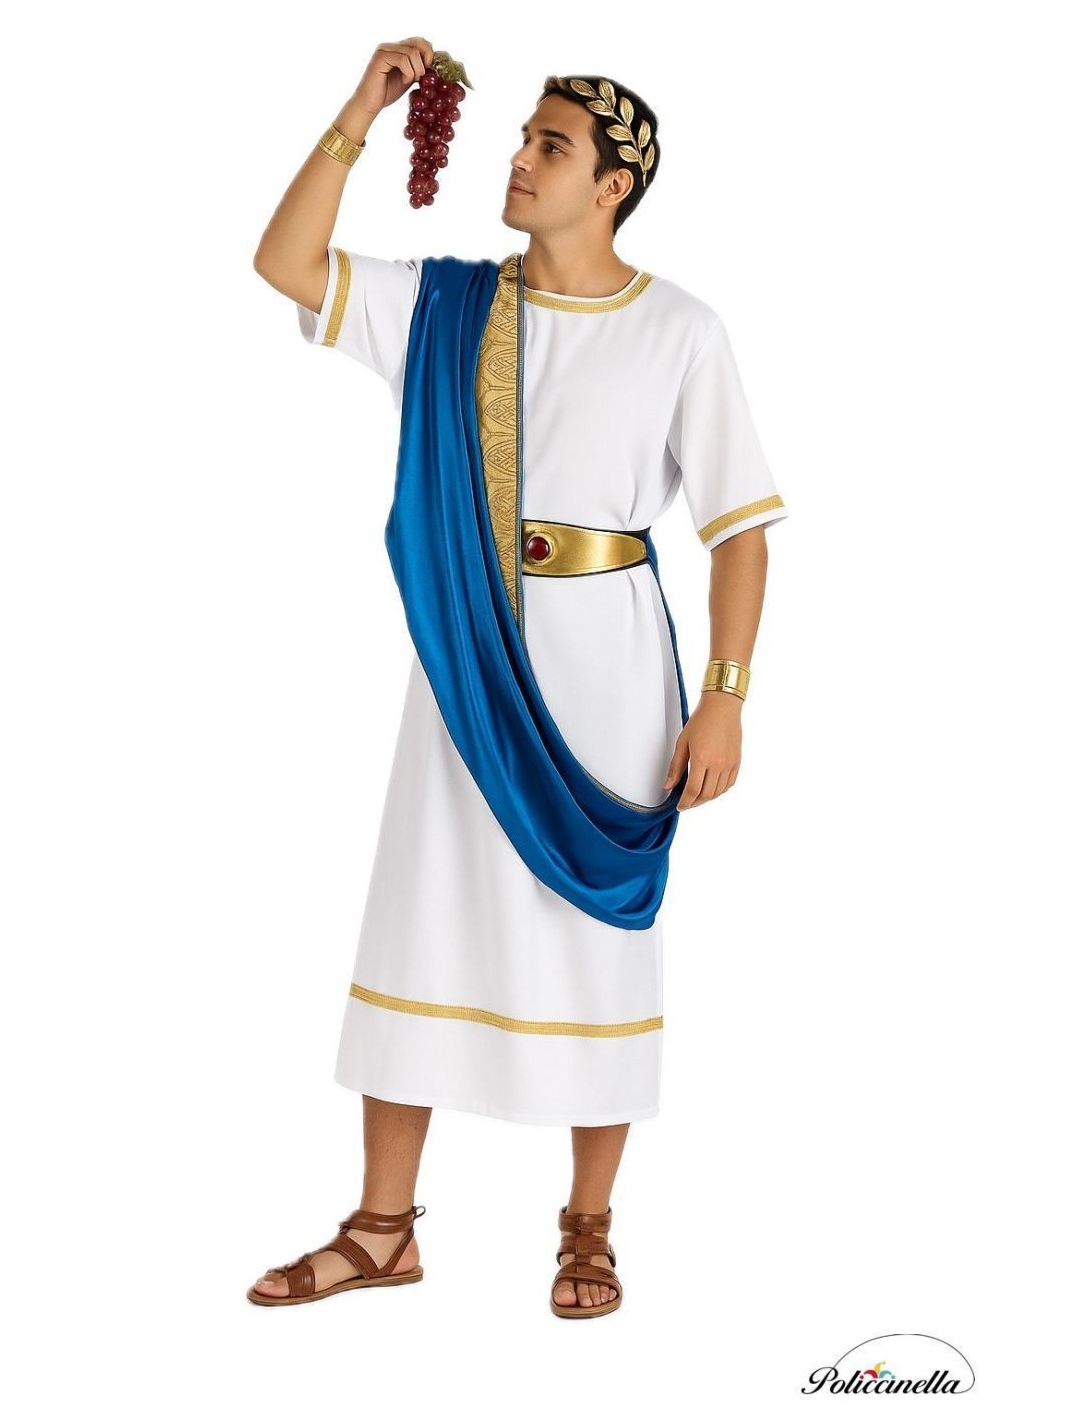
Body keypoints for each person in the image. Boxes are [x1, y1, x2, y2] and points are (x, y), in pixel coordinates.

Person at [248, 37, 788, 1319]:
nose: (518, 158)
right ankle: (383, 1229)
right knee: (421, 912)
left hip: (609, 668)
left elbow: (739, 532)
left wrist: (724, 694)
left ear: (611, 185)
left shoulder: (678, 330)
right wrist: (359, 111)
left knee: (594, 935)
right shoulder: (447, 311)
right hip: (467, 661)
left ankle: (586, 1230)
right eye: (522, 137)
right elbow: (285, 264)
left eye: (551, 145)